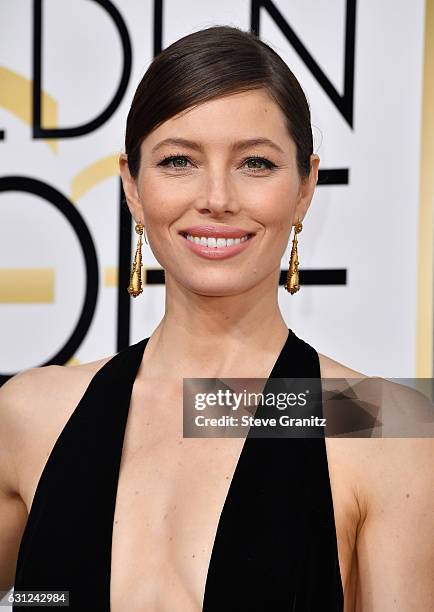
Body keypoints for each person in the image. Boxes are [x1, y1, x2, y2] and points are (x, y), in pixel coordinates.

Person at [1, 24, 433, 612]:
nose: (217, 198)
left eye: (255, 163)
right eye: (179, 160)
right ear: (132, 184)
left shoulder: (377, 423)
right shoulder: (31, 414)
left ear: (306, 186)